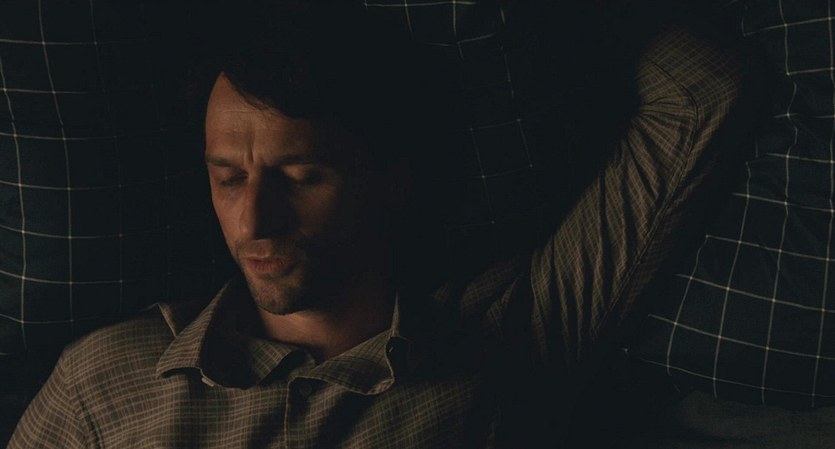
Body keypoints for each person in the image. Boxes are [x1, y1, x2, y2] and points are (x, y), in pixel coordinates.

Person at [8, 2, 754, 448]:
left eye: (302, 176)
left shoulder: (513, 332)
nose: (253, 219)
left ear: (393, 178)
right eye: (228, 177)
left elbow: (700, 94)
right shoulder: (104, 379)